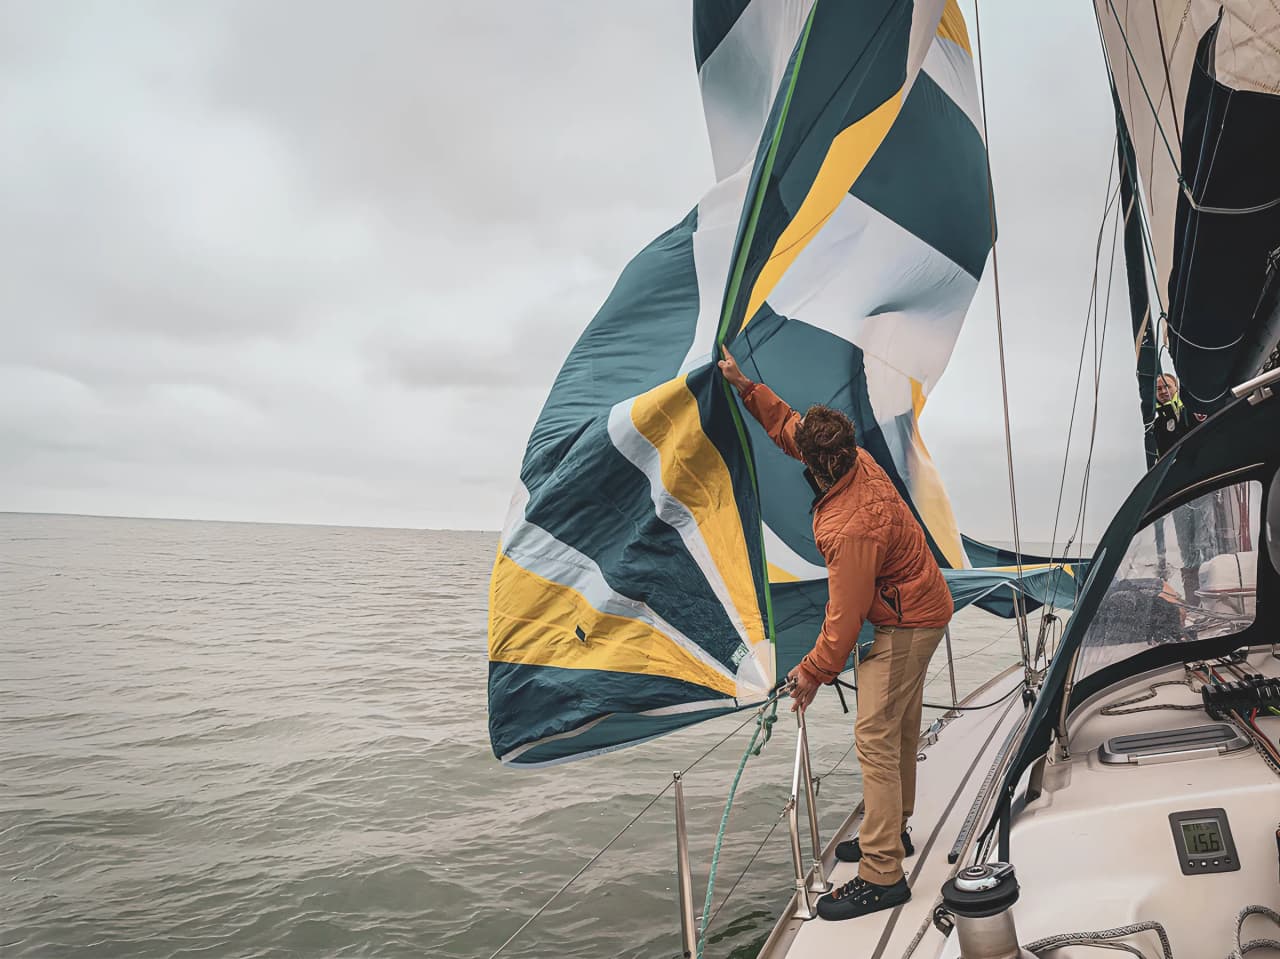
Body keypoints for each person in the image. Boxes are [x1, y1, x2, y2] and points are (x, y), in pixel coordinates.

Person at [718, 346, 953, 921]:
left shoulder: (852, 527)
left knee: (875, 734)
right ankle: (889, 832)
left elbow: (844, 621)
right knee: (895, 728)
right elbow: (789, 427)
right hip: (920, 605)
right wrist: (743, 385)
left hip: (910, 621)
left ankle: (882, 874)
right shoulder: (850, 454)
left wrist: (812, 673)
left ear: (822, 465)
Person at [1149, 373, 1208, 601]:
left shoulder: (1190, 411)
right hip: (1179, 490)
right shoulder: (1156, 424)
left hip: (1202, 484)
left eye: (1167, 386)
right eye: (1158, 389)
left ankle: (1214, 591)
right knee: (1186, 548)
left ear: (1176, 387)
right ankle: (1195, 600)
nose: (1163, 390)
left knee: (1205, 540)